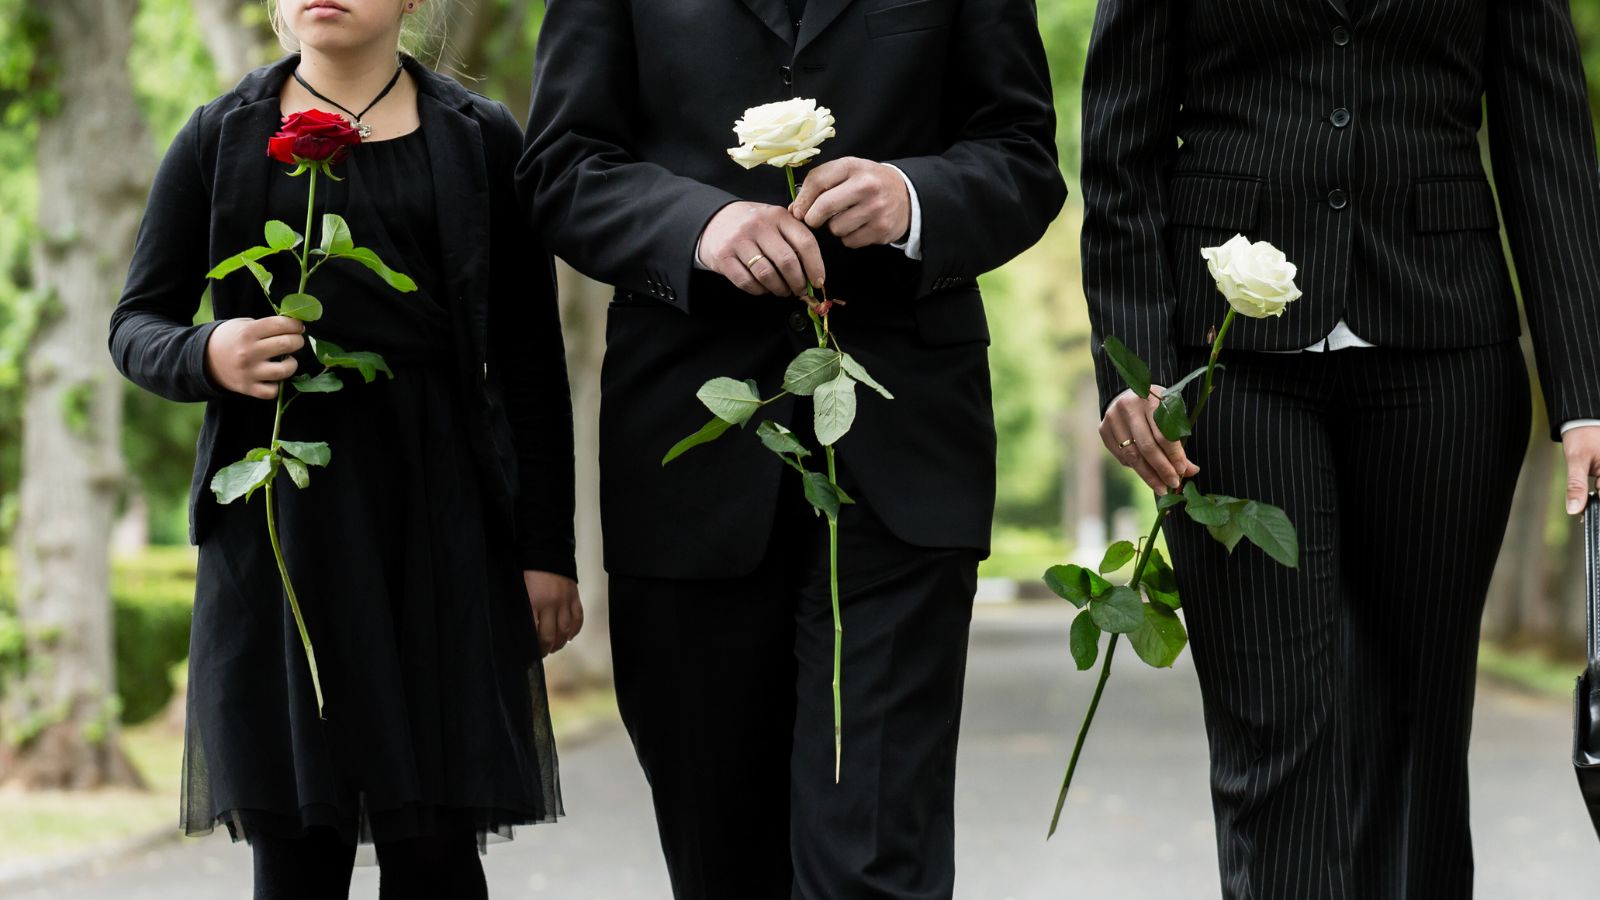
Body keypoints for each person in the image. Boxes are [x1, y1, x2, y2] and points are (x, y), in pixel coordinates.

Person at [518, 0, 1065, 896]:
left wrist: (915, 196)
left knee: (875, 860)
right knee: (723, 855)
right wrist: (699, 227)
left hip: (905, 451)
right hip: (686, 455)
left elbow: (1023, 155)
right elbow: (562, 168)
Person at [1080, 0, 1600, 897]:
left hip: (1446, 355)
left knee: (1416, 733)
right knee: (1274, 730)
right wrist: (1133, 364)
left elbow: (1546, 137)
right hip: (1229, 367)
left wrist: (1586, 397)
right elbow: (1118, 150)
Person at [108, 1, 583, 897]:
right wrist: (208, 352)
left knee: (439, 850)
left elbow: (529, 362)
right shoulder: (217, 136)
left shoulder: (481, 138)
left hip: (442, 523)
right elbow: (137, 323)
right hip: (280, 524)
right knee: (294, 849)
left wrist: (545, 552)